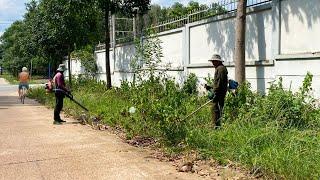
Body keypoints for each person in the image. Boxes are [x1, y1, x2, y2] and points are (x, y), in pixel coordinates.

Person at [206, 54, 228, 129]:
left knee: (215, 108)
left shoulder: (220, 69)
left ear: (217, 61)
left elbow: (219, 83)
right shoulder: (220, 68)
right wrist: (211, 86)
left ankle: (216, 125)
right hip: (220, 91)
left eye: (214, 61)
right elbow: (217, 82)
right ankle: (218, 124)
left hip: (219, 93)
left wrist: (215, 93)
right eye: (212, 61)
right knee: (219, 108)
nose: (212, 63)